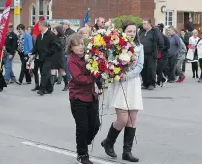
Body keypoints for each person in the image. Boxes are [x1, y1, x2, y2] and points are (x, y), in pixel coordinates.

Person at [102, 20, 144, 162]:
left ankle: (127, 151)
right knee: (123, 119)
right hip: (120, 84)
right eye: (129, 31)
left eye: (133, 31)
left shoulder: (140, 47)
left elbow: (140, 66)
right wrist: (118, 72)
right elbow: (111, 63)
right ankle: (109, 141)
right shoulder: (116, 46)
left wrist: (127, 76)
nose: (132, 33)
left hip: (133, 83)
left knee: (132, 119)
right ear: (123, 32)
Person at [67, 33, 100, 164]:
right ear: (71, 48)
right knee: (82, 127)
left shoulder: (89, 57)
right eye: (77, 45)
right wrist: (93, 76)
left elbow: (97, 69)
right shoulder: (72, 61)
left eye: (82, 44)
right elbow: (79, 78)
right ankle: (82, 154)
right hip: (78, 97)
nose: (81, 47)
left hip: (92, 96)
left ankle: (85, 141)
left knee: (95, 125)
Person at [29, 20, 57, 95]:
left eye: (39, 26)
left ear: (43, 26)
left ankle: (42, 89)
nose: (38, 27)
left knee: (44, 73)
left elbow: (54, 47)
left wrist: (48, 53)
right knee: (43, 73)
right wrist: (32, 52)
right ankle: (49, 88)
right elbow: (36, 47)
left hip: (49, 58)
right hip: (40, 58)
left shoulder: (51, 35)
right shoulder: (39, 36)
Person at [139, 19, 164, 90]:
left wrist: (156, 52)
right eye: (143, 23)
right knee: (143, 69)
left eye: (145, 23)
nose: (143, 25)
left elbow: (161, 43)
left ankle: (152, 83)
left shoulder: (154, 32)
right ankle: (145, 83)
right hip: (142, 54)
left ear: (149, 24)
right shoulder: (141, 32)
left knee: (151, 69)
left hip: (151, 54)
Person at [51, 25, 68, 91]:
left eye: (54, 31)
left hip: (60, 56)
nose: (53, 32)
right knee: (53, 71)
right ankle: (51, 87)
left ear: (58, 31)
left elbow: (61, 46)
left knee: (62, 71)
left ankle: (66, 84)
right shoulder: (53, 37)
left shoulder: (62, 38)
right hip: (54, 56)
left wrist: (55, 42)